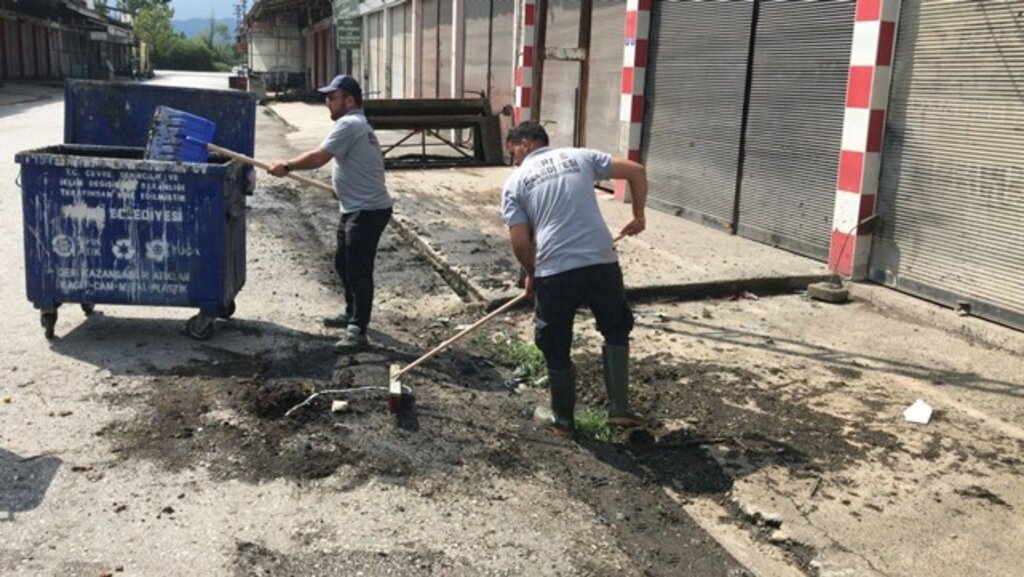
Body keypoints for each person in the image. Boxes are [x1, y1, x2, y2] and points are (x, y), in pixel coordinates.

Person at [501, 121, 649, 435]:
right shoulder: (580, 156)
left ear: (525, 143)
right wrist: (638, 215)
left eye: (513, 153)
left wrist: (533, 274)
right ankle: (619, 409)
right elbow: (636, 171)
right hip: (601, 261)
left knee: (554, 342)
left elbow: (520, 242)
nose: (513, 161)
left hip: (555, 269)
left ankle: (564, 420)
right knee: (615, 327)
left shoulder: (516, 182)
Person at [268, 75, 393, 351]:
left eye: (332, 97)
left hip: (367, 210)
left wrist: (287, 166)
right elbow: (363, 165)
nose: (327, 102)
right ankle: (351, 312)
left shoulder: (350, 124)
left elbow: (319, 157)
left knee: (359, 269)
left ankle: (357, 329)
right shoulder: (359, 125)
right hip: (356, 206)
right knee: (342, 262)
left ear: (349, 100)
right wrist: (346, 188)